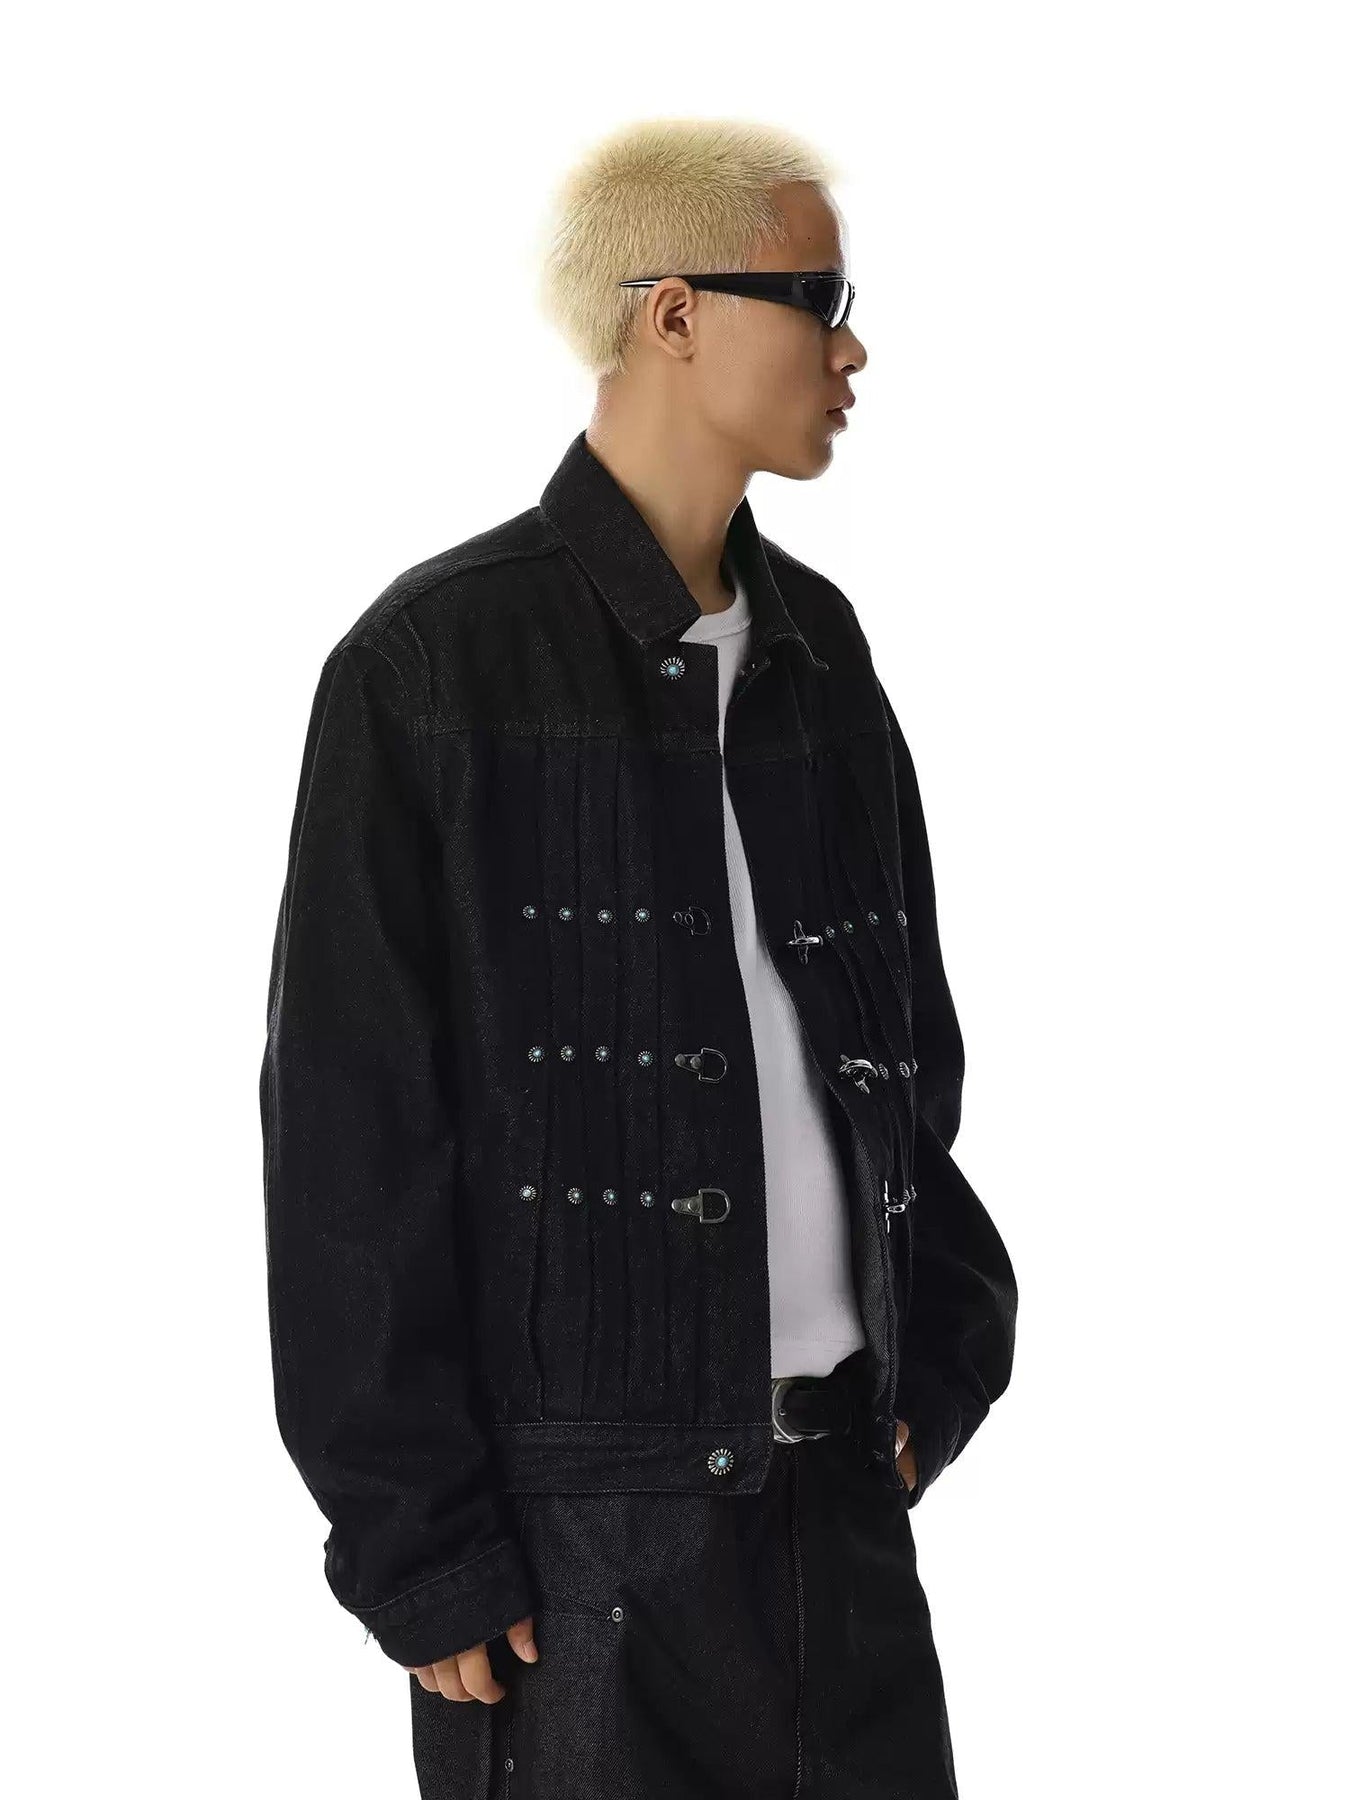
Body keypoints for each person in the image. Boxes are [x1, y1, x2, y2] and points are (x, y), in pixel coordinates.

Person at [260, 116, 1018, 1798]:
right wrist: (420, 1547)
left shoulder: (819, 648)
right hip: (575, 1566)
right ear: (672, 313)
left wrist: (943, 1354)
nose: (851, 349)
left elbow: (909, 1057)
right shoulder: (432, 664)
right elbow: (349, 1139)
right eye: (818, 301)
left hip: (841, 1518)